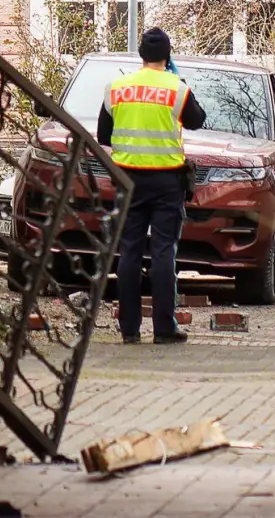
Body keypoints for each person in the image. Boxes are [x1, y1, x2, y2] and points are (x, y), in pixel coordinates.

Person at [98, 28, 206, 344]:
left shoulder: (116, 88)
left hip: (127, 180)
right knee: (163, 253)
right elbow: (198, 120)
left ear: (141, 55)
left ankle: (129, 330)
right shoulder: (177, 88)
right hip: (166, 182)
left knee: (129, 252)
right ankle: (164, 328)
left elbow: (104, 136)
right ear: (167, 56)